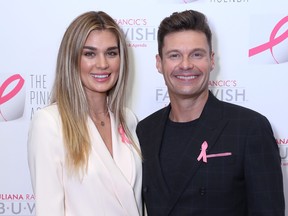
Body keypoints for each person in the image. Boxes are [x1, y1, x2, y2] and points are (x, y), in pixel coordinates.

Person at [136, 9, 285, 216]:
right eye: (174, 55)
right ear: (159, 63)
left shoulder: (250, 128)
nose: (186, 65)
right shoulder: (144, 131)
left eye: (197, 54)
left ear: (211, 60)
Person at [27, 11, 143, 216]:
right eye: (89, 53)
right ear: (72, 59)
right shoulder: (50, 123)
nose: (102, 64)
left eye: (111, 53)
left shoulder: (128, 119)